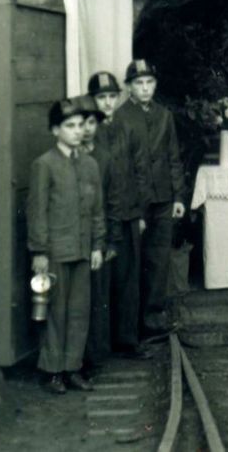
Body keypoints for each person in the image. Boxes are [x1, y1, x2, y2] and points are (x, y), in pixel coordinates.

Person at [27, 98, 106, 394]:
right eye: (69, 126)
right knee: (55, 312)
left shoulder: (90, 165)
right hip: (55, 252)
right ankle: (52, 372)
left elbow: (97, 210)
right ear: (54, 130)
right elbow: (37, 213)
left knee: (78, 312)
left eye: (79, 126)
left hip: (83, 250)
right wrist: (39, 252)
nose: (77, 132)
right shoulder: (44, 165)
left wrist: (97, 245)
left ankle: (73, 369)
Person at [115, 59, 187, 337]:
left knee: (159, 260)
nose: (145, 89)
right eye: (139, 84)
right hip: (136, 204)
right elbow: (121, 167)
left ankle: (154, 319)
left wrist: (178, 196)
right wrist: (134, 208)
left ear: (155, 85)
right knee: (133, 263)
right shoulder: (121, 118)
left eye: (149, 83)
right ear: (129, 87)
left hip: (163, 200)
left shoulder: (164, 115)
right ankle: (133, 324)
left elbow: (173, 158)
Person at [86, 71, 150, 359]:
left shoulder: (127, 128)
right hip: (101, 220)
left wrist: (139, 213)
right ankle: (100, 347)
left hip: (127, 217)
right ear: (92, 100)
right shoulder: (87, 132)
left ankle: (127, 340)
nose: (108, 103)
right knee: (101, 284)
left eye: (112, 96)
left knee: (128, 281)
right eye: (102, 97)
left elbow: (140, 171)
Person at [76, 95, 112, 374]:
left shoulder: (103, 157)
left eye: (91, 122)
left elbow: (109, 200)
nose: (87, 128)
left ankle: (95, 357)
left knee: (97, 296)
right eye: (81, 123)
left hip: (97, 239)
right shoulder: (69, 156)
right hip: (73, 238)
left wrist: (108, 240)